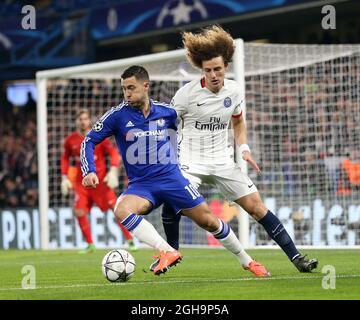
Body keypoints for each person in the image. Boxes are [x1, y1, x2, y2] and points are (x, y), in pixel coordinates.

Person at [152, 25, 318, 273]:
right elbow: (167, 125)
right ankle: (170, 253)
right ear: (202, 70)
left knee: (257, 208)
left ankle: (297, 259)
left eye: (217, 69)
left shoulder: (234, 90)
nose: (214, 75)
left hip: (222, 162)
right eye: (208, 70)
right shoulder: (185, 95)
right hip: (191, 162)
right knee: (172, 201)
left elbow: (238, 121)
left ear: (225, 67)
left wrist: (244, 149)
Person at [81, 65, 269, 276]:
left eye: (131, 88)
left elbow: (194, 125)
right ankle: (168, 251)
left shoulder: (168, 112)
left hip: (173, 179)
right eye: (124, 89)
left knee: (209, 220)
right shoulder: (117, 116)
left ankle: (248, 261)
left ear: (146, 86)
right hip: (142, 185)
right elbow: (89, 140)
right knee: (121, 209)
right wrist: (89, 170)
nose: (127, 94)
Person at [61, 109, 137, 253]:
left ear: (89, 120)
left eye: (85, 119)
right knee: (79, 211)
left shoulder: (98, 137)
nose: (83, 122)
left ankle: (130, 240)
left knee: (117, 210)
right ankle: (90, 244)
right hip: (82, 184)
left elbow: (114, 153)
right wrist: (64, 177)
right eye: (80, 119)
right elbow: (65, 158)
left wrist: (113, 171)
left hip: (100, 182)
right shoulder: (70, 140)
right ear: (76, 121)